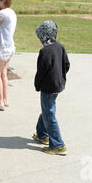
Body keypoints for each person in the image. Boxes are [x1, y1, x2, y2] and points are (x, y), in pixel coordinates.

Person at [33, 20, 69, 156]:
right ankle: (42, 134)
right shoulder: (60, 47)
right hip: (59, 85)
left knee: (49, 114)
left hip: (48, 87)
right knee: (47, 109)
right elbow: (67, 64)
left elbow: (41, 72)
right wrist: (61, 76)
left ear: (43, 36)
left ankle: (58, 145)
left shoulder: (45, 51)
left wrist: (37, 85)